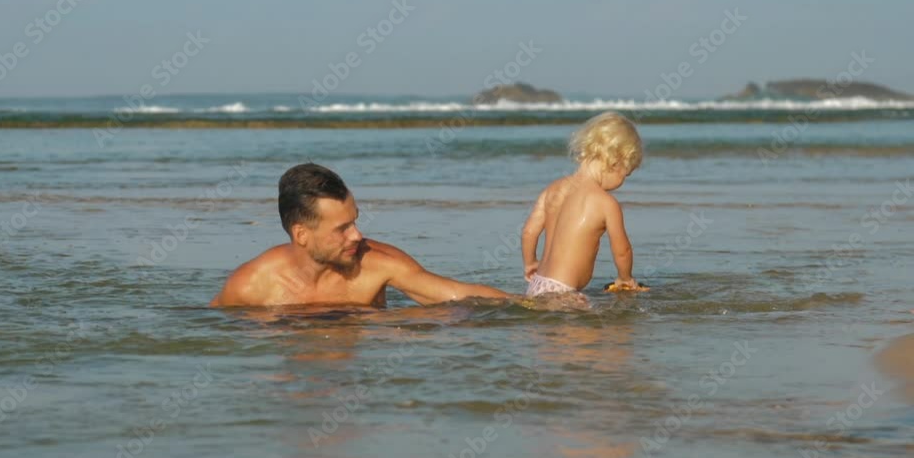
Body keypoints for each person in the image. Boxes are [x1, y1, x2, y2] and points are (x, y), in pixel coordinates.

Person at [210, 163, 510, 308]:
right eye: (341, 229)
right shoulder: (250, 286)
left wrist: (528, 305)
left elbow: (458, 295)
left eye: (354, 221)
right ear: (301, 234)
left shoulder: (378, 264)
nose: (357, 235)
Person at [520, 111, 644, 303]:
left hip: (536, 285)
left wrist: (530, 263)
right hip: (563, 292)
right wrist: (625, 278)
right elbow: (622, 250)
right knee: (601, 322)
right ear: (615, 162)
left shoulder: (553, 189)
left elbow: (528, 232)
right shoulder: (606, 203)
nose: (622, 182)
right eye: (625, 175)